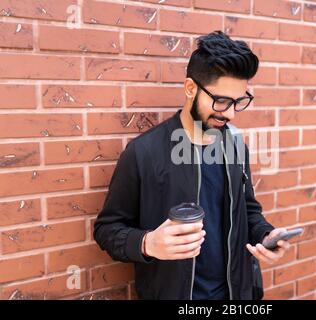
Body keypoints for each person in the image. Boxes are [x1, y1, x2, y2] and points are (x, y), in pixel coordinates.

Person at [94, 30, 290, 300]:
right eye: (221, 101)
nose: (230, 113)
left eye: (238, 101)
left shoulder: (234, 146)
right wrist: (147, 243)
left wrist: (265, 234)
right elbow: (107, 229)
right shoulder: (143, 152)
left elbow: (247, 209)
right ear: (190, 88)